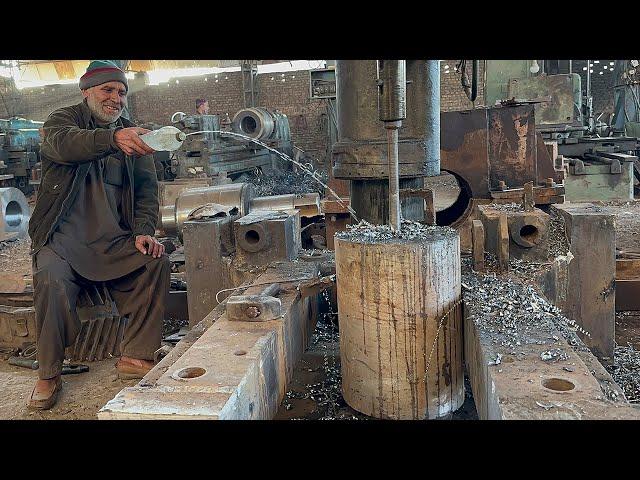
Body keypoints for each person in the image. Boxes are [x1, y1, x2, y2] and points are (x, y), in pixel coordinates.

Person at [27, 60, 171, 410]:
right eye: (108, 90)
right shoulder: (63, 121)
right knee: (50, 279)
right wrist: (112, 139)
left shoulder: (134, 139)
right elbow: (65, 145)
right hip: (61, 241)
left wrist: (142, 232)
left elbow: (147, 192)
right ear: (87, 91)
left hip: (111, 243)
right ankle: (48, 374)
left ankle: (135, 355)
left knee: (155, 259)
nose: (116, 98)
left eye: (122, 92)